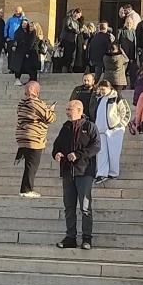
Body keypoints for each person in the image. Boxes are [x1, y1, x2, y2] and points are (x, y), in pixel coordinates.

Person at [54, 100, 100, 250]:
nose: (67, 112)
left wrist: (78, 155)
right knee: (69, 206)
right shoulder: (65, 127)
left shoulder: (89, 127)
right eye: (66, 109)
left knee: (85, 206)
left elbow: (96, 146)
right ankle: (70, 237)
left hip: (84, 171)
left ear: (79, 110)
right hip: (68, 171)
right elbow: (57, 145)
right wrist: (57, 154)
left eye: (69, 109)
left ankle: (87, 238)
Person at [92, 80, 131, 184]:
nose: (102, 91)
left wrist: (121, 124)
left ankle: (113, 172)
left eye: (103, 89)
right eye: (100, 89)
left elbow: (126, 112)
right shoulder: (100, 98)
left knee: (114, 152)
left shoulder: (117, 97)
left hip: (114, 130)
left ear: (109, 88)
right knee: (101, 152)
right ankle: (101, 173)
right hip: (101, 129)